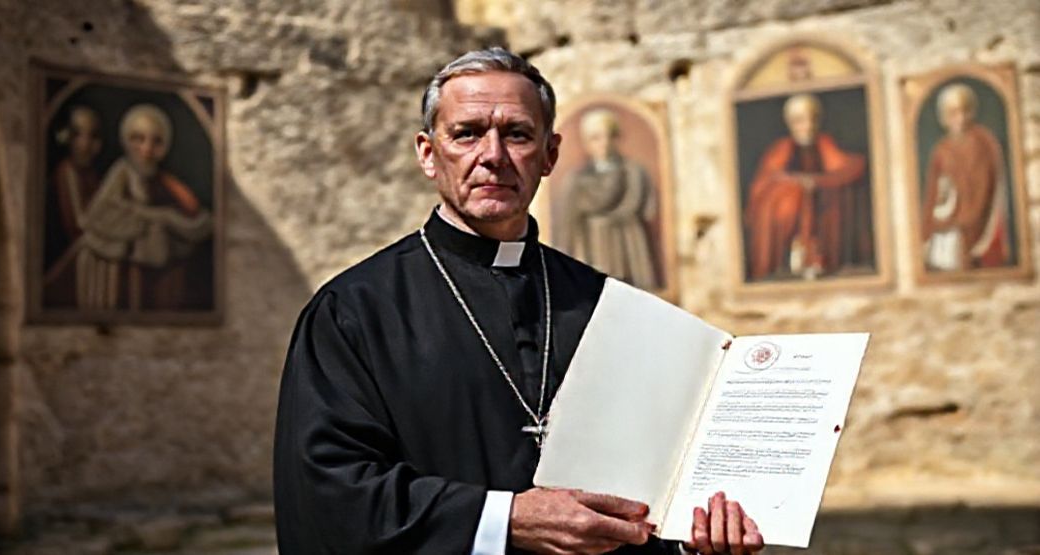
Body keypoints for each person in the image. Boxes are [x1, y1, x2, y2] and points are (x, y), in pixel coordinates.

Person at [274, 47, 764, 555]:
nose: (493, 155)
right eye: (466, 133)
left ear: (550, 154)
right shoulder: (353, 311)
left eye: (517, 134)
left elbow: (644, 500)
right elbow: (328, 497)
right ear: (427, 152)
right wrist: (503, 519)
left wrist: (694, 544)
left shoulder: (603, 306)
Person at [78, 104, 212, 310]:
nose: (147, 149)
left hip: (157, 277)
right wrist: (152, 216)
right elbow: (98, 214)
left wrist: (173, 219)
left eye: (156, 142)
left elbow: (191, 215)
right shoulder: (122, 172)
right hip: (119, 272)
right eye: (138, 139)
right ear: (127, 141)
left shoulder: (165, 181)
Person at [743, 93, 866, 281]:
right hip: (789, 229)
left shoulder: (825, 144)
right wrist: (796, 189)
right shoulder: (779, 150)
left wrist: (817, 184)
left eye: (813, 119)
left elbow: (848, 168)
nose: (808, 126)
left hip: (821, 221)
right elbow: (763, 190)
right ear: (790, 122)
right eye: (800, 120)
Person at [560, 108, 660, 290]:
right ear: (587, 143)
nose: (603, 144)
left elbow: (644, 207)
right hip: (591, 251)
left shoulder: (634, 173)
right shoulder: (576, 180)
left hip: (628, 248)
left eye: (609, 136)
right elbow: (568, 224)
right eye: (596, 138)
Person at [920, 83, 1010, 271]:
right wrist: (930, 227)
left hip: (974, 221)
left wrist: (965, 217)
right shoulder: (941, 149)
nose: (960, 118)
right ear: (944, 116)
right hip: (945, 221)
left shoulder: (983, 142)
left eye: (964, 111)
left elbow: (986, 185)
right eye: (953, 113)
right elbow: (933, 191)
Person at [43, 106, 103, 307]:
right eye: (78, 135)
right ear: (68, 138)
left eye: (92, 136)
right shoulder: (66, 172)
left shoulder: (93, 176)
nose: (85, 144)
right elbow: (79, 225)